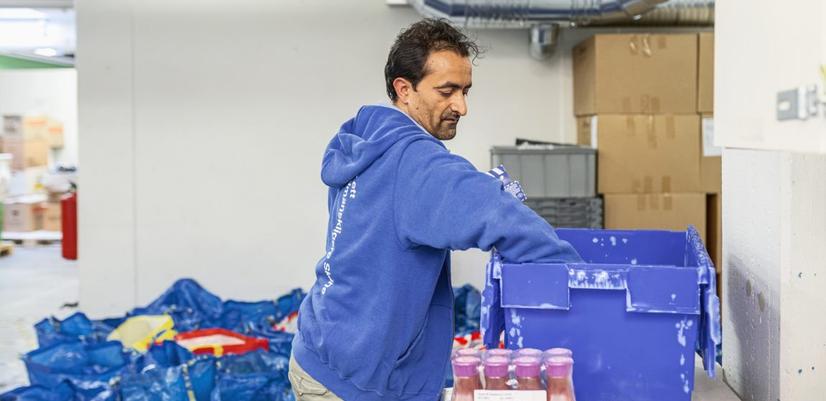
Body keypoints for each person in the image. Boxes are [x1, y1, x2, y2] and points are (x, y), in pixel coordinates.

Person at [288, 18, 583, 401]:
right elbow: (504, 218)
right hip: (356, 381)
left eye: (465, 91)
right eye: (447, 91)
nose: (461, 106)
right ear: (404, 89)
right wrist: (581, 279)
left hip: (323, 346)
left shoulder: (365, 141)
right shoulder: (416, 163)